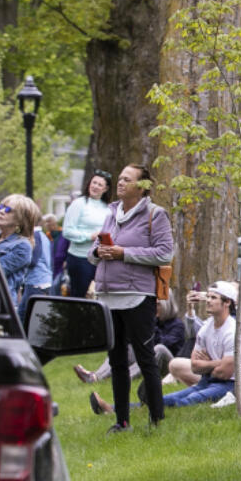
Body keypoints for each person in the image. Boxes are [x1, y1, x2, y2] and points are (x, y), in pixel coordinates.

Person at [88, 165, 173, 431]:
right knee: (116, 361)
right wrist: (98, 252)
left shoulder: (155, 215)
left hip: (137, 296)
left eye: (127, 179)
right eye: (120, 178)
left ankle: (156, 420)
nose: (120, 182)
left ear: (142, 186)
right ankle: (121, 421)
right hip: (108, 295)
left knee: (146, 358)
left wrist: (123, 253)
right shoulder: (112, 212)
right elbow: (94, 250)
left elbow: (163, 254)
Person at [160, 281, 241, 409]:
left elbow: (224, 373)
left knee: (189, 401)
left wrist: (208, 364)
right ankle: (143, 403)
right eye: (207, 296)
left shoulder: (234, 332)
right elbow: (195, 366)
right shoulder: (206, 327)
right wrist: (217, 362)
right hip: (207, 380)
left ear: (227, 302)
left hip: (232, 384)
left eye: (213, 298)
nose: (208, 300)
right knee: (167, 398)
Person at [76, 295, 185, 384]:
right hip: (151, 360)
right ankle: (96, 377)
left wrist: (151, 325)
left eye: (158, 305)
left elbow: (164, 344)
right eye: (152, 305)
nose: (154, 308)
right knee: (127, 347)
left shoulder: (177, 325)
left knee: (159, 349)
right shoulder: (153, 321)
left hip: (172, 367)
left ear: (167, 305)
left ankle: (124, 379)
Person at [61, 170, 112, 297]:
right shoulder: (79, 203)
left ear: (105, 189)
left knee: (100, 296)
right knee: (79, 296)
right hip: (80, 259)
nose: (95, 186)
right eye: (94, 182)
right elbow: (67, 231)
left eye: (100, 185)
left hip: (101, 260)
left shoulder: (108, 208)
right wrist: (90, 236)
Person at [0, 195, 38, 307]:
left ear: (20, 220)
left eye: (8, 210)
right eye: (2, 206)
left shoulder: (22, 246)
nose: (1, 211)